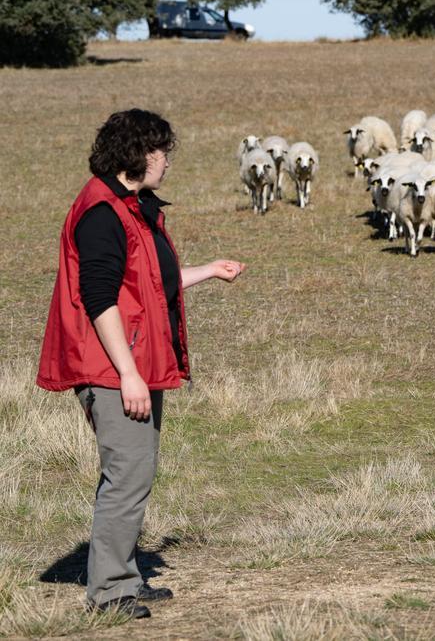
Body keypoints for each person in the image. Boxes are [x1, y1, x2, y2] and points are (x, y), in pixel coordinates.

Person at [36, 109, 246, 620]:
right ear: (138, 153)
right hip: (110, 367)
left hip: (130, 362)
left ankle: (123, 576)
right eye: (162, 152)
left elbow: (149, 283)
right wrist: (127, 373)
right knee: (127, 474)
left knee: (136, 472)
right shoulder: (103, 212)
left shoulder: (130, 206)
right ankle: (108, 593)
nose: (167, 163)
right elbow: (99, 298)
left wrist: (207, 271)